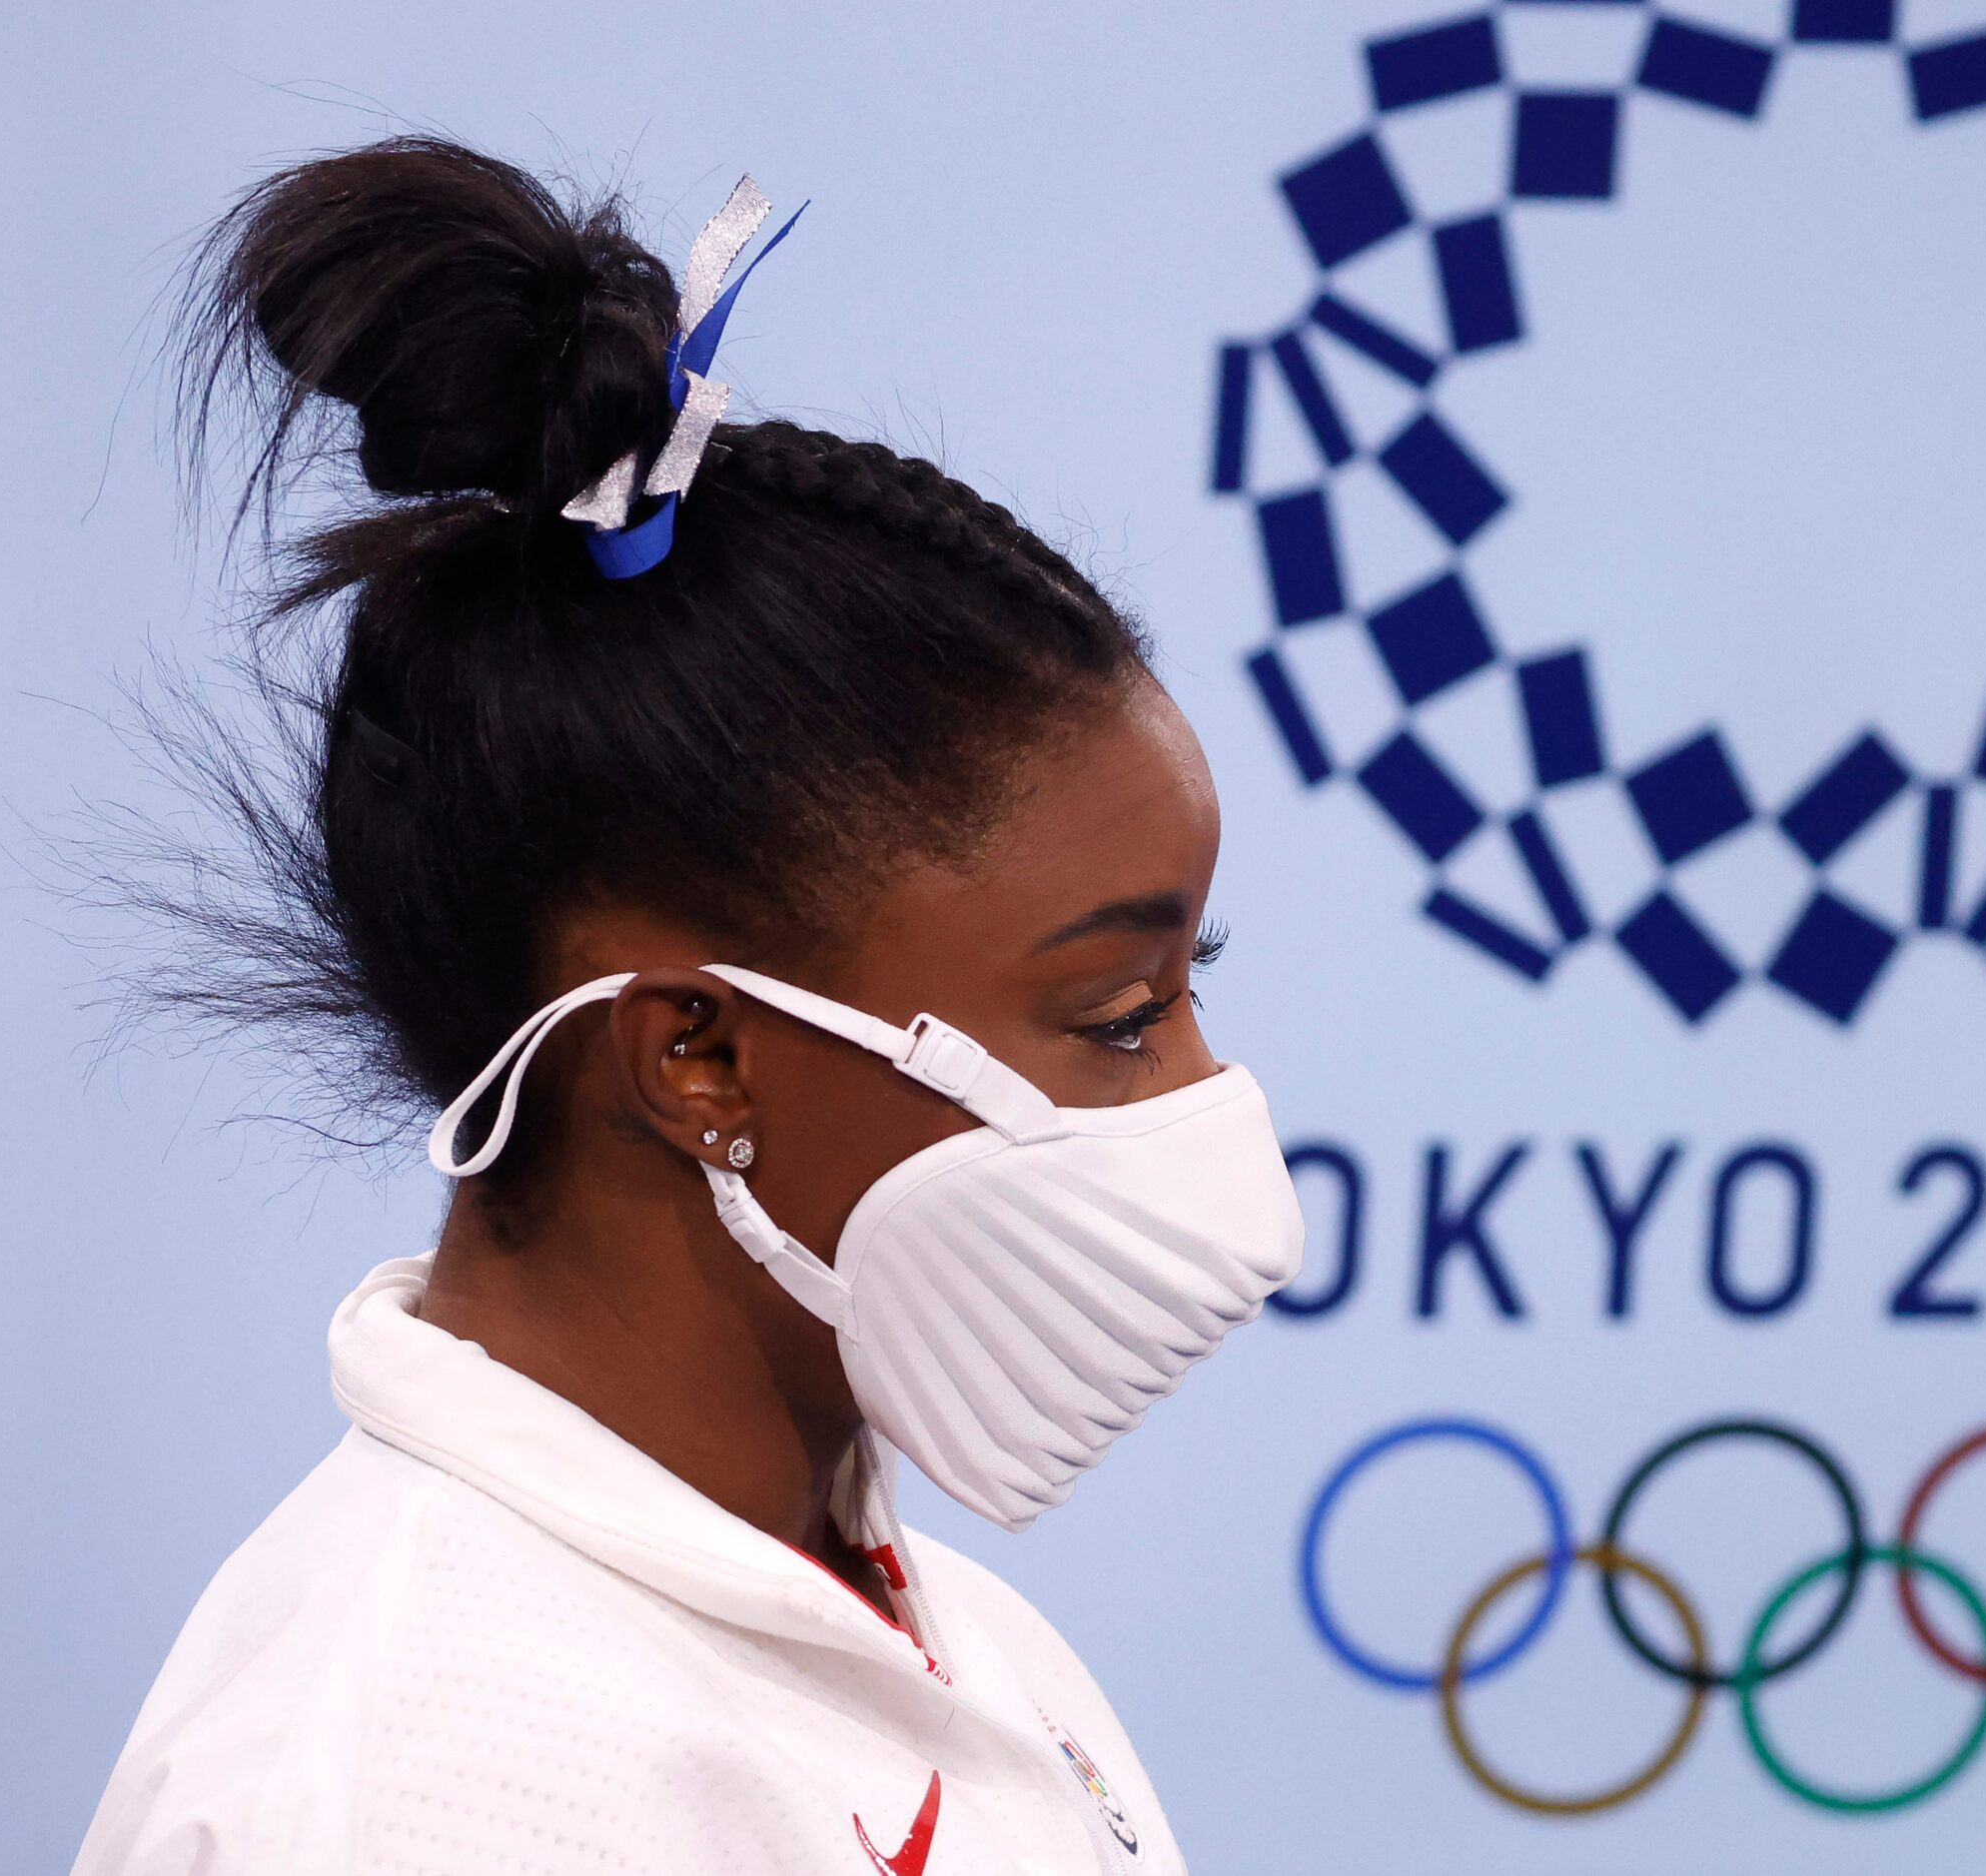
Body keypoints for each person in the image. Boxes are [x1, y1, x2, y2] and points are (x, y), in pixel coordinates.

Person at [72, 137, 1305, 1876]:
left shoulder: (987, 1667)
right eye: (1116, 1013)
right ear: (699, 1056)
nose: (1210, 1111)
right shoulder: (410, 1790)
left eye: (1196, 990)